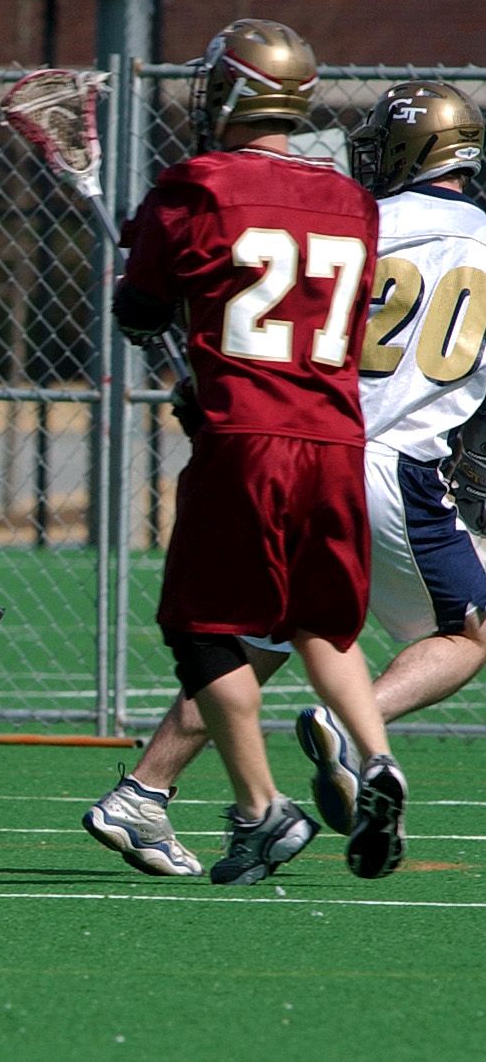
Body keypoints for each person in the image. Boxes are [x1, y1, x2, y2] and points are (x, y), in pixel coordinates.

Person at [87, 79, 486, 881]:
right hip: (393, 464)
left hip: (299, 448)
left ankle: (148, 792)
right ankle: (356, 730)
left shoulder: (360, 216)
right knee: (467, 633)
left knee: (251, 635)